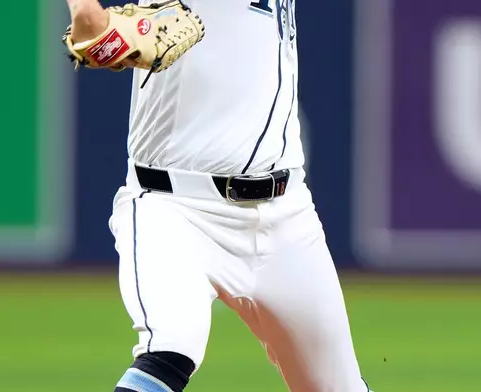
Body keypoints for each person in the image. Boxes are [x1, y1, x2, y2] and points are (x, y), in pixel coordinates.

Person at [65, 0, 370, 390]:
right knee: (170, 351)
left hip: (287, 216)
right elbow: (90, 28)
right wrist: (86, 12)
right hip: (175, 209)